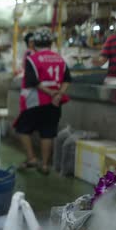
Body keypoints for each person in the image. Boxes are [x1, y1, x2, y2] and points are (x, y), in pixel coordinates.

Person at [14, 30, 72, 175]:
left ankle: (32, 158)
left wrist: (49, 92)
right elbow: (67, 79)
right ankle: (45, 165)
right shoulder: (59, 59)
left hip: (35, 101)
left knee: (22, 128)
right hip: (54, 102)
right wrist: (58, 93)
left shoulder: (33, 59)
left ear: (34, 44)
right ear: (51, 43)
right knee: (47, 132)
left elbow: (32, 81)